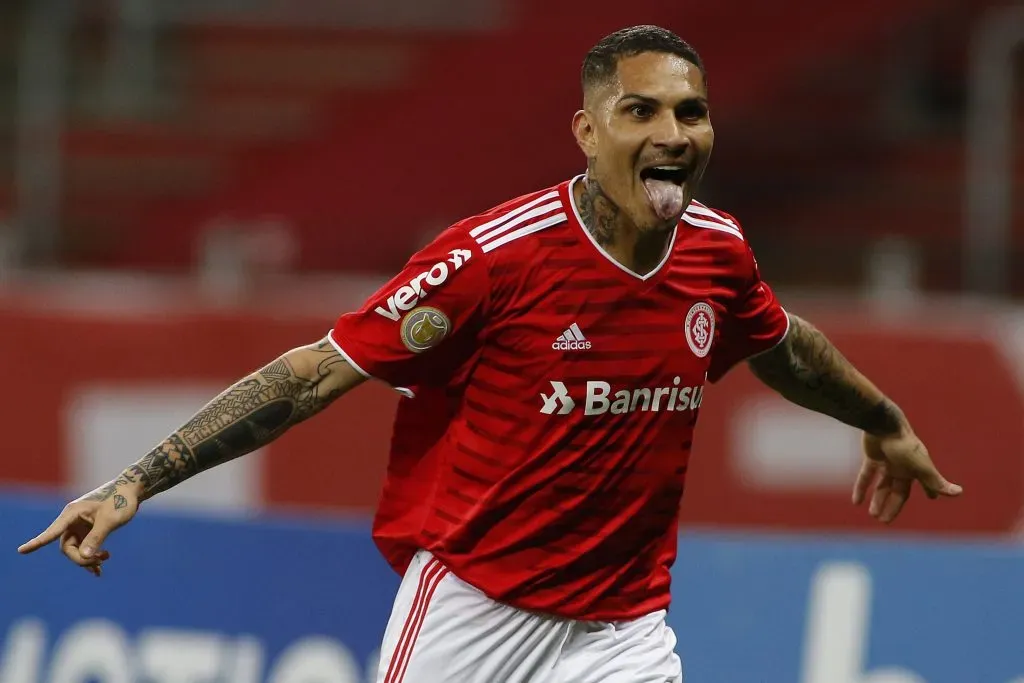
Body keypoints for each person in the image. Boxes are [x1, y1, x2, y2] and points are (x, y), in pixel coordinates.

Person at [19, 25, 961, 683]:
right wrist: (136, 480)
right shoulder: (492, 259)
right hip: (478, 613)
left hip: (623, 631)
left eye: (692, 114)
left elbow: (783, 345)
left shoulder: (718, 252)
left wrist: (883, 421)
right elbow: (316, 371)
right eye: (642, 113)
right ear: (590, 134)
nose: (673, 135)